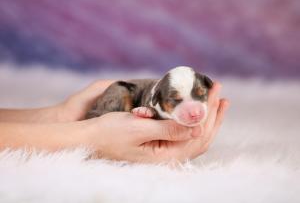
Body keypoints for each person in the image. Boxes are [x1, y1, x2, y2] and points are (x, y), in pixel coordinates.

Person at [0, 80, 229, 163]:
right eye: (176, 100)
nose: (194, 110)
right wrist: (89, 137)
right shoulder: (145, 95)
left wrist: (61, 116)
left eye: (199, 94)